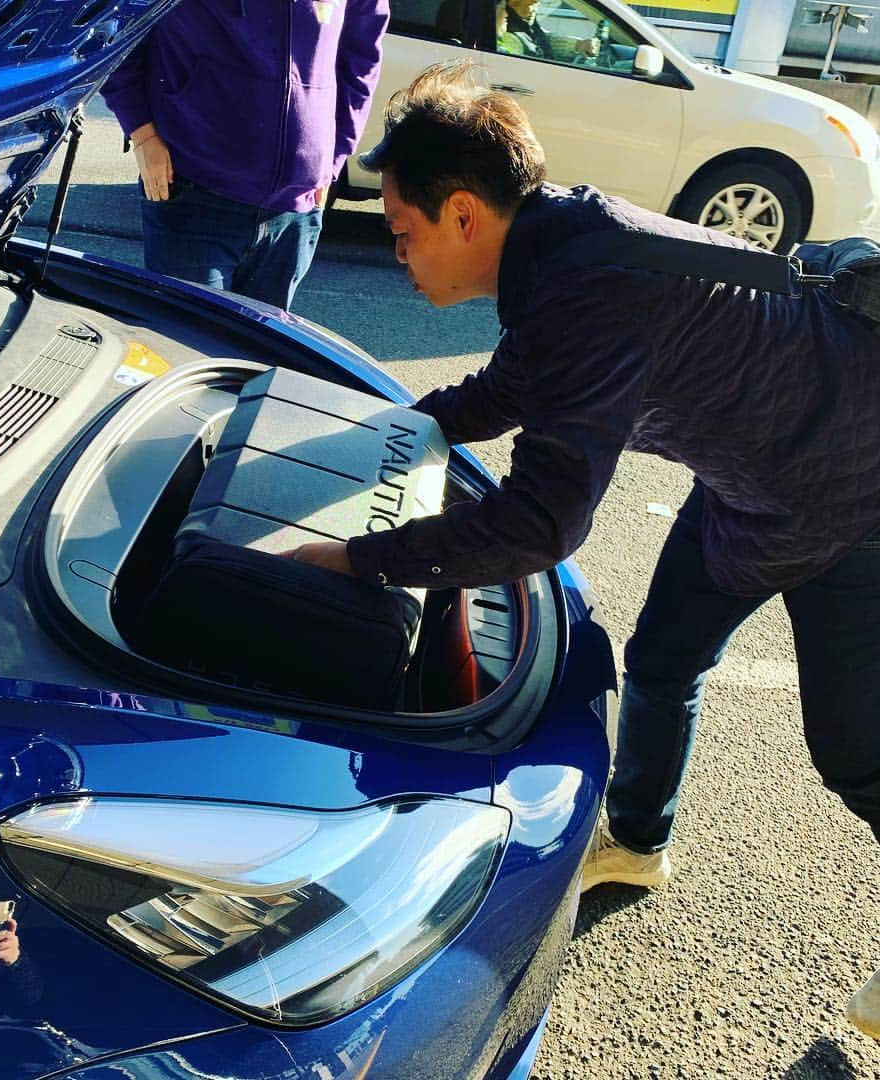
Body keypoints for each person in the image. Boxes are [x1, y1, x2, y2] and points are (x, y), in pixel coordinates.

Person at [285, 62, 880, 1040]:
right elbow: (511, 386)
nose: (397, 257)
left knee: (855, 753)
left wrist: (361, 560)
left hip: (848, 483)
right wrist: (383, 430)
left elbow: (540, 526)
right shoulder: (561, 245)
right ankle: (640, 843)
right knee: (661, 662)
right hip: (749, 473)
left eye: (402, 233)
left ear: (465, 215)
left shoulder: (584, 285)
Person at [100, 0, 389, 311]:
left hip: (295, 212)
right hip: (195, 188)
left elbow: (363, 55)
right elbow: (113, 23)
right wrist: (142, 132)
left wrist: (332, 159)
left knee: (256, 356)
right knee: (190, 347)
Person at [501, 0, 598, 61]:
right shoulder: (509, 39)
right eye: (532, 2)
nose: (534, 7)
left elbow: (540, 38)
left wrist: (578, 45)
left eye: (536, 2)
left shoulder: (526, 23)